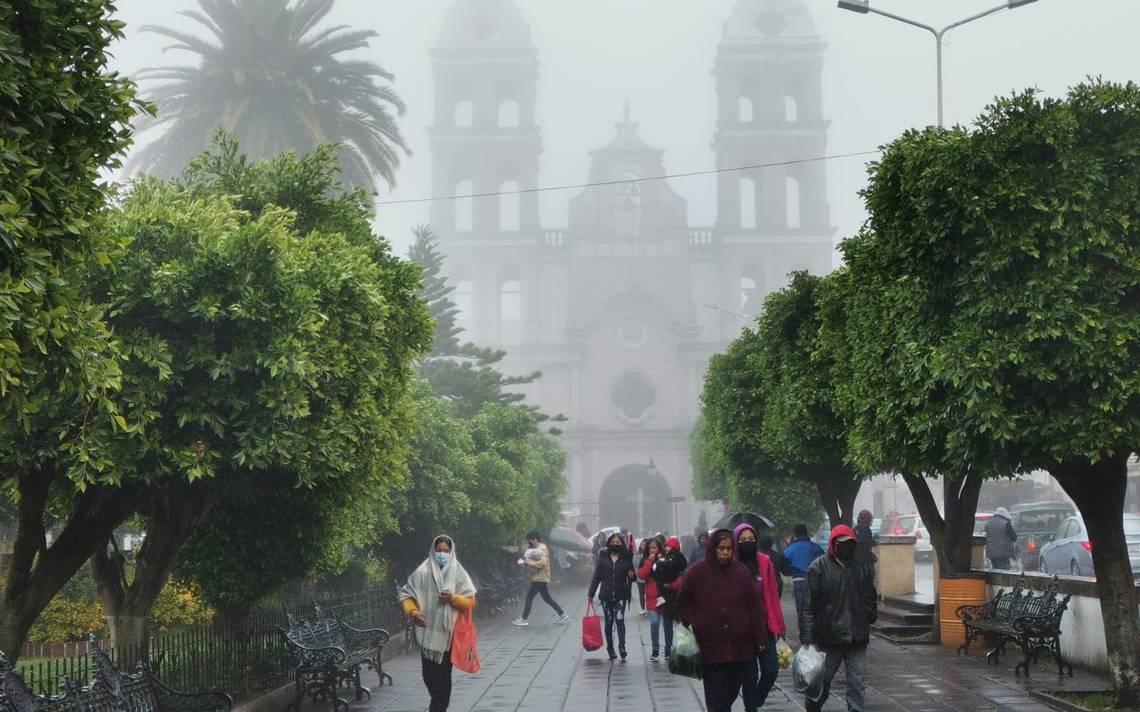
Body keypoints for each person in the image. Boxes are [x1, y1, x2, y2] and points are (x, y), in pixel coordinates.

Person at [678, 529, 769, 712]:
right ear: (713, 548)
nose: (725, 552)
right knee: (715, 697)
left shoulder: (742, 572)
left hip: (739, 648)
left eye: (729, 549)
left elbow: (755, 606)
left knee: (731, 691)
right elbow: (683, 600)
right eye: (721, 548)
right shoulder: (697, 572)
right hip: (711, 647)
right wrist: (694, 621)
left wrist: (760, 636)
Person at [801, 525, 878, 712]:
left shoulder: (860, 567)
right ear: (832, 544)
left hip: (857, 635)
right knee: (822, 681)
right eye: (841, 544)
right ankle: (813, 706)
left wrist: (868, 614)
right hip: (829, 637)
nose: (846, 548)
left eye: (850, 544)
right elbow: (808, 606)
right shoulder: (818, 568)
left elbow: (870, 594)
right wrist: (808, 638)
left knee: (857, 682)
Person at [398, 535, 477, 712]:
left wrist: (453, 598)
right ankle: (438, 706)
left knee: (443, 679)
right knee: (428, 677)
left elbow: (471, 602)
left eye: (446, 551)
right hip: (427, 635)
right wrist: (413, 612)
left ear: (451, 552)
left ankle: (438, 708)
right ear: (433, 551)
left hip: (449, 636)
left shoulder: (458, 573)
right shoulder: (421, 572)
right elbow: (406, 595)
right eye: (439, 550)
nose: (442, 554)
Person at [735, 524, 787, 709]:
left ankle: (755, 701)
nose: (747, 542)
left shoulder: (765, 562)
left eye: (751, 539)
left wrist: (779, 625)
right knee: (749, 676)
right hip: (743, 630)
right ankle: (751, 707)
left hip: (766, 626)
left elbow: (773, 595)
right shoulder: (733, 564)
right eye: (743, 540)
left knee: (771, 670)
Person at [588, 531, 637, 660]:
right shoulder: (603, 557)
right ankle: (610, 647)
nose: (615, 544)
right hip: (606, 595)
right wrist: (591, 593)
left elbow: (633, 577)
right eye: (613, 542)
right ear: (609, 543)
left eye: (618, 542)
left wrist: (632, 575)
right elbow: (597, 576)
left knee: (620, 620)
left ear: (622, 544)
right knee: (609, 622)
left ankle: (622, 646)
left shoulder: (626, 558)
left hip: (621, 594)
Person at [513, 531, 569, 626]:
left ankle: (524, 618)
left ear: (535, 539)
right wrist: (526, 563)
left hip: (540, 577)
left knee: (529, 597)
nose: (529, 542)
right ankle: (563, 615)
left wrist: (527, 563)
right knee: (547, 598)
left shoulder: (542, 548)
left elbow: (542, 563)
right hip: (539, 577)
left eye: (530, 540)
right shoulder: (537, 548)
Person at [781, 523, 826, 641]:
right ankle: (818, 634)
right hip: (815, 580)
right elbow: (824, 563)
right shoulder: (816, 548)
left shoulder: (789, 550)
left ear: (795, 534)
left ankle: (805, 636)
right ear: (806, 533)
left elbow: (784, 566)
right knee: (816, 607)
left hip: (798, 581)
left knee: (802, 610)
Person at [637, 537, 674, 660]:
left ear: (659, 548)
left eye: (655, 547)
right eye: (650, 548)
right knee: (654, 622)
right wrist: (649, 561)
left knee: (668, 625)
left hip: (665, 596)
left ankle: (668, 650)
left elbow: (674, 574)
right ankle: (655, 650)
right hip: (652, 598)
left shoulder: (666, 559)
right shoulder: (645, 560)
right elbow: (641, 575)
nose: (652, 550)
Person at [655, 535, 688, 623]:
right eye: (666, 546)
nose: (666, 548)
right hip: (668, 586)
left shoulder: (676, 555)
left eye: (668, 546)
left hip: (674, 584)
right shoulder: (667, 555)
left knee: (673, 605)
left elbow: (674, 564)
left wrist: (661, 563)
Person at [854, 510, 878, 578]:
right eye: (870, 519)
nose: (871, 521)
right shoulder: (866, 530)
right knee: (867, 579)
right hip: (864, 562)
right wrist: (872, 543)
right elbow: (863, 543)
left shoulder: (855, 529)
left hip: (857, 561)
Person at [635, 538, 651, 616]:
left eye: (645, 545)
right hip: (640, 577)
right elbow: (635, 565)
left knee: (648, 593)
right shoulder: (637, 554)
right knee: (641, 593)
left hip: (648, 577)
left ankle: (648, 608)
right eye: (642, 544)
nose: (643, 546)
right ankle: (643, 609)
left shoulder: (650, 554)